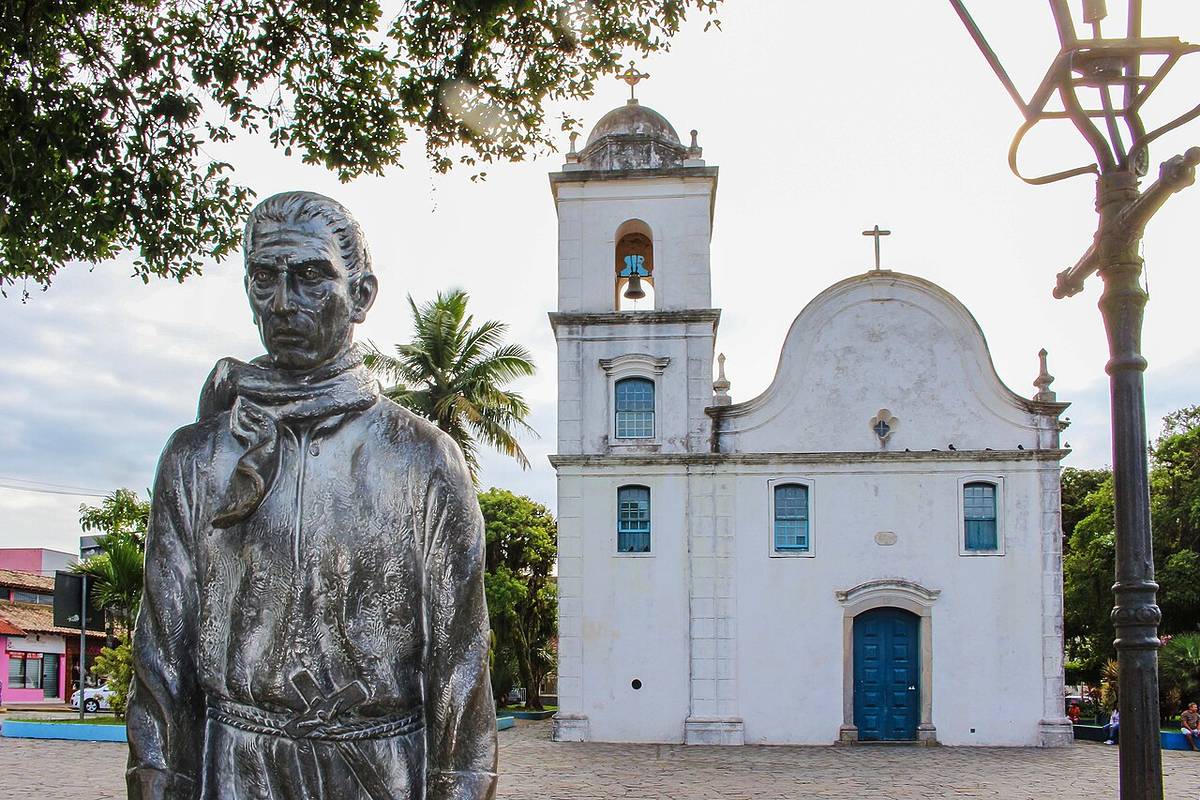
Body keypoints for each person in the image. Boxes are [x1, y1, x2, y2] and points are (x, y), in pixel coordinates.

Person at [126, 192, 497, 800]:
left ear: (362, 293)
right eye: (264, 279)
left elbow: (460, 669)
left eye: (310, 277)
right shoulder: (195, 458)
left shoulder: (424, 458)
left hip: (382, 770)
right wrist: (158, 781)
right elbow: (163, 661)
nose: (283, 304)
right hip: (237, 771)